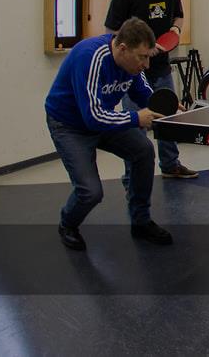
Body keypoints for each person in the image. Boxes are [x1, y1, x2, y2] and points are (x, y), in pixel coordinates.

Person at [45, 17, 174, 250]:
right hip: (69, 125)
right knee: (90, 192)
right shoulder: (90, 57)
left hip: (100, 118)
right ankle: (67, 224)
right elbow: (93, 117)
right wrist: (136, 118)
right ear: (123, 48)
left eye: (148, 57)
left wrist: (166, 106)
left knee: (143, 151)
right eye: (142, 57)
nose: (146, 64)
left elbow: (143, 93)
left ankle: (141, 222)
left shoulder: (132, 65)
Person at [105, 0, 197, 179]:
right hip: (134, 71)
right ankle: (132, 175)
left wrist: (174, 32)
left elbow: (178, 16)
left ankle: (171, 164)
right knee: (136, 126)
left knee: (168, 119)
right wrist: (140, 50)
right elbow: (112, 32)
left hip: (161, 68)